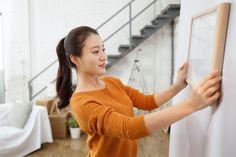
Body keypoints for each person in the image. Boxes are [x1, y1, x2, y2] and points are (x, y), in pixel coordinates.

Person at [55, 26, 221, 157]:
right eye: (95, 52)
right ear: (75, 59)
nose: (103, 56)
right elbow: (129, 129)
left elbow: (147, 102)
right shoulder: (81, 103)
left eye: (103, 49)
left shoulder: (110, 82)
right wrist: (191, 104)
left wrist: (178, 85)